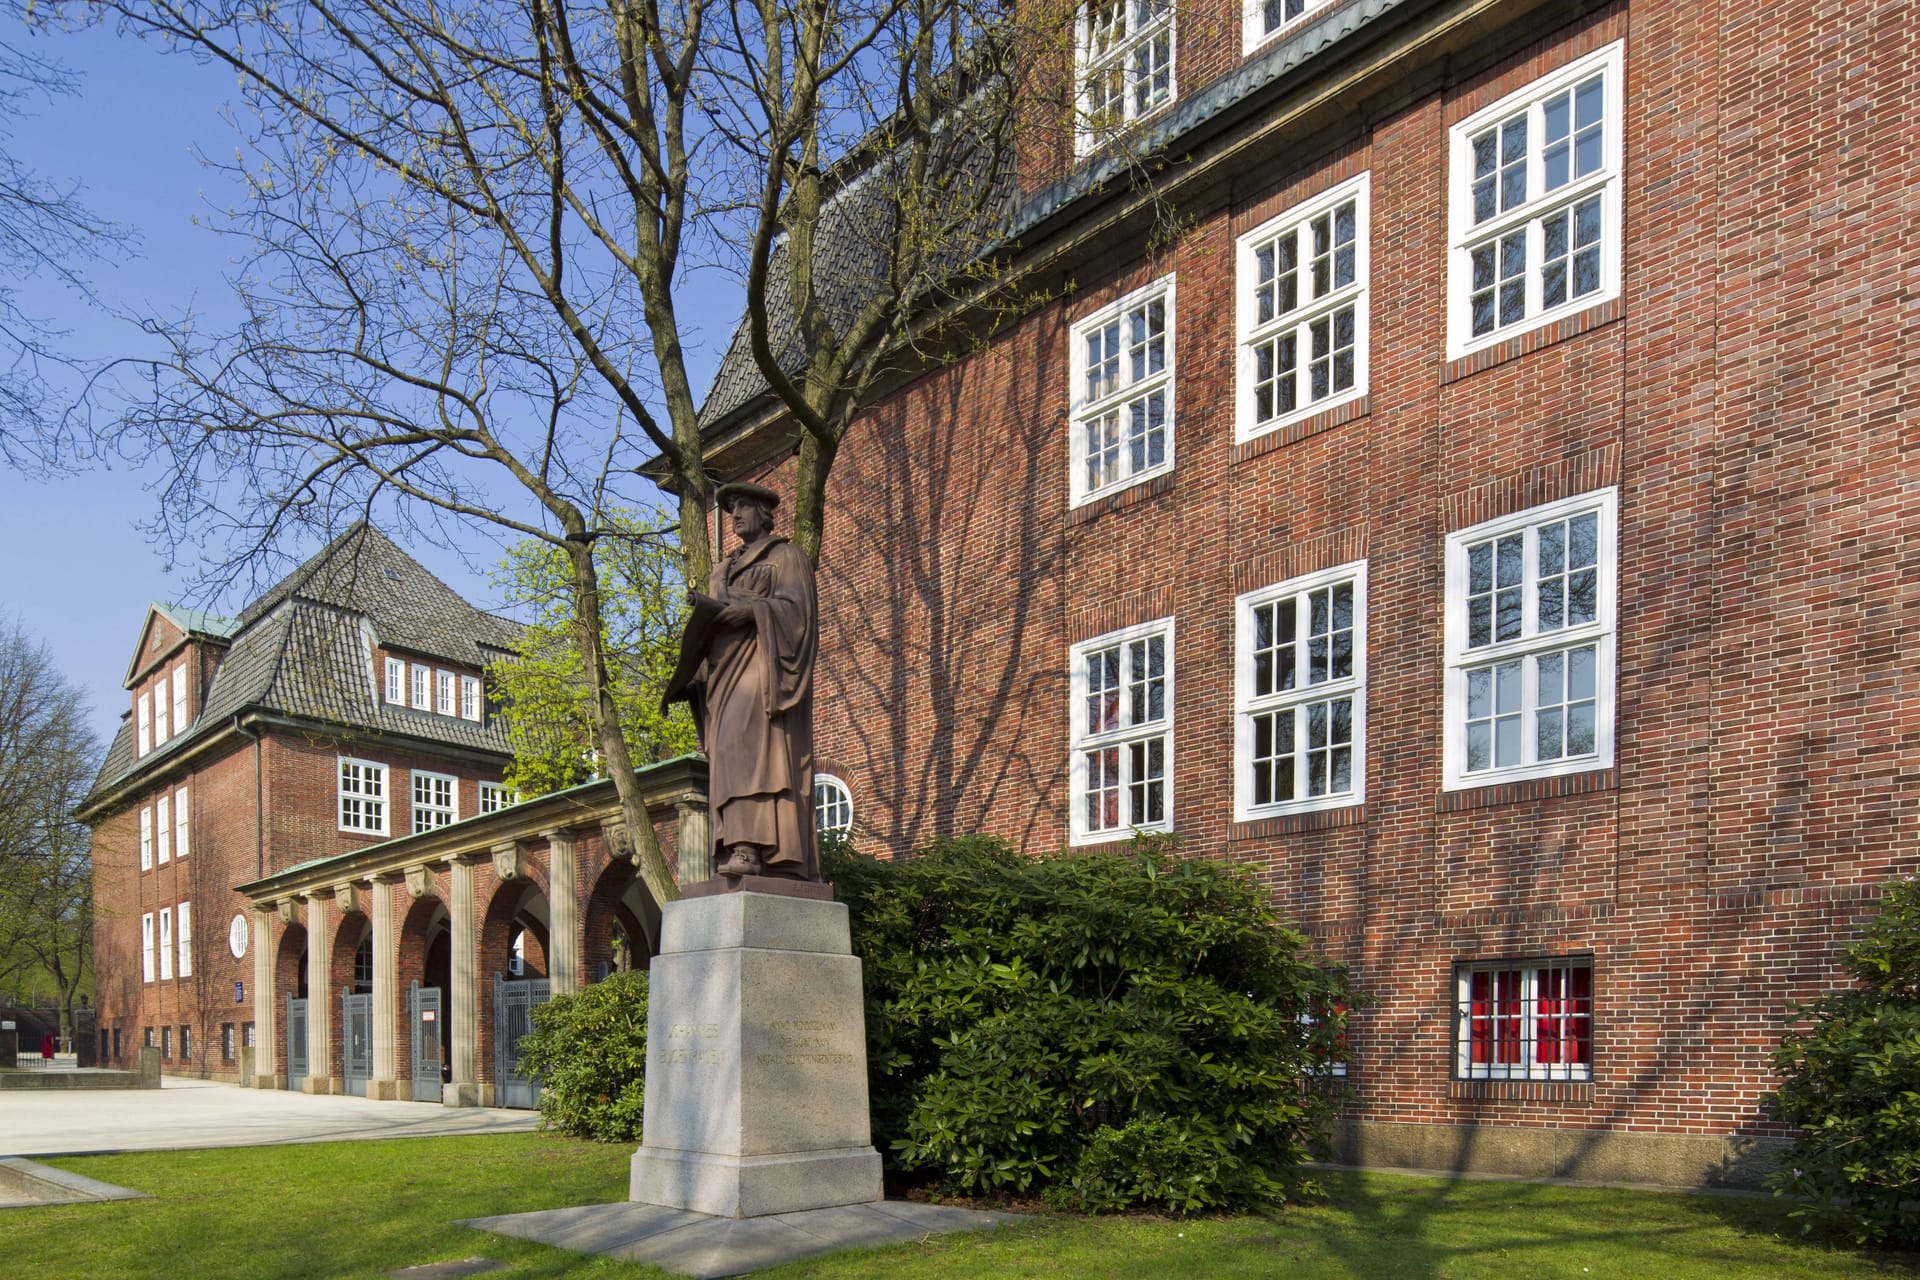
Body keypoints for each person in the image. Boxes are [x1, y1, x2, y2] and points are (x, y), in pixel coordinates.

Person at [663, 482, 819, 880]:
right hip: (722, 677)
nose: (735, 514)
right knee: (728, 758)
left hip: (760, 671)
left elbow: (798, 614)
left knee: (752, 754)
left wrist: (752, 611)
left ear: (765, 514)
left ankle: (753, 847)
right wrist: (690, 675)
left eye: (744, 506)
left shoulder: (786, 557)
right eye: (731, 507)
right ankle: (734, 842)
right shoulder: (720, 572)